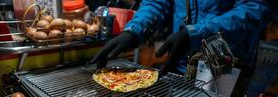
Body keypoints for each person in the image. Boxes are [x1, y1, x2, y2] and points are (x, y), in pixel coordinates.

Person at [91, 0, 269, 74]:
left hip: (226, 62)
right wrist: (133, 31)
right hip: (181, 60)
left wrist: (196, 34)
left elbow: (255, 8)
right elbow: (157, 2)